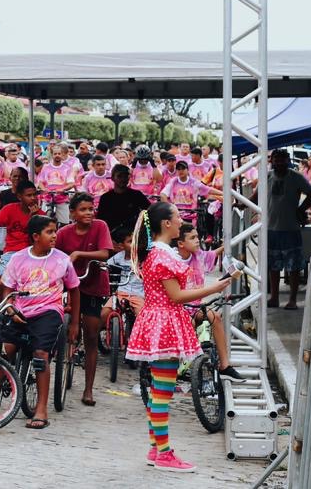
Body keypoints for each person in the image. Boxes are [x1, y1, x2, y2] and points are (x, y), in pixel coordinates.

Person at [126, 201, 234, 473]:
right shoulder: (163, 257)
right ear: (166, 224)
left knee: (158, 391)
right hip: (165, 321)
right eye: (176, 217)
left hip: (158, 320)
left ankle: (156, 447)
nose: (180, 220)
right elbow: (176, 296)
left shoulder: (155, 253)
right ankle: (163, 452)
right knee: (163, 392)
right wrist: (214, 288)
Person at [0, 214, 80, 430]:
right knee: (5, 350)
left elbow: (74, 289)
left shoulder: (62, 260)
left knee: (41, 355)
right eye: (50, 232)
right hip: (20, 309)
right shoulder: (18, 258)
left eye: (55, 231)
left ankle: (41, 409)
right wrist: (10, 308)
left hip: (48, 311)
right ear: (36, 236)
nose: (55, 235)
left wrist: (74, 322)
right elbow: (8, 287)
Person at [55, 192, 113, 407]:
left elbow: (105, 253)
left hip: (93, 285)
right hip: (70, 286)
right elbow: (54, 254)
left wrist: (80, 254)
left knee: (91, 334)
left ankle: (88, 389)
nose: (88, 213)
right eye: (83, 209)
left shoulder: (100, 227)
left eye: (90, 209)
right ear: (72, 213)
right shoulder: (63, 233)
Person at [174, 222, 243, 380]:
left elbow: (213, 254)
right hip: (178, 307)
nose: (197, 240)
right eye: (192, 238)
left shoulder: (199, 255)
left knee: (216, 318)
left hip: (196, 306)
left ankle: (225, 365)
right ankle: (180, 365)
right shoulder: (173, 260)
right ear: (180, 243)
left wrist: (227, 245)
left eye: (197, 237)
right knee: (189, 324)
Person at [265, 149, 311, 309]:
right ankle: (274, 297)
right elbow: (256, 194)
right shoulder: (268, 176)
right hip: (271, 229)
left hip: (291, 229)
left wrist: (301, 210)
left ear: (288, 161)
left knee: (293, 267)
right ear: (271, 161)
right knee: (273, 266)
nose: (279, 163)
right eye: (276, 160)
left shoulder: (296, 177)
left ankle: (292, 300)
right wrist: (241, 202)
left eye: (282, 160)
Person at [0, 178, 40, 265]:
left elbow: (38, 241)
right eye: (29, 195)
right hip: (11, 254)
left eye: (34, 195)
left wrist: (33, 218)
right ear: (19, 197)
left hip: (32, 254)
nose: (33, 198)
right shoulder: (10, 209)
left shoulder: (41, 215)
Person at [96, 164, 152, 236]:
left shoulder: (137, 195)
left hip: (133, 235)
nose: (123, 179)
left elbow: (149, 211)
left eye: (126, 176)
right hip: (112, 235)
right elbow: (101, 220)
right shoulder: (105, 198)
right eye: (119, 176)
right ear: (112, 178)